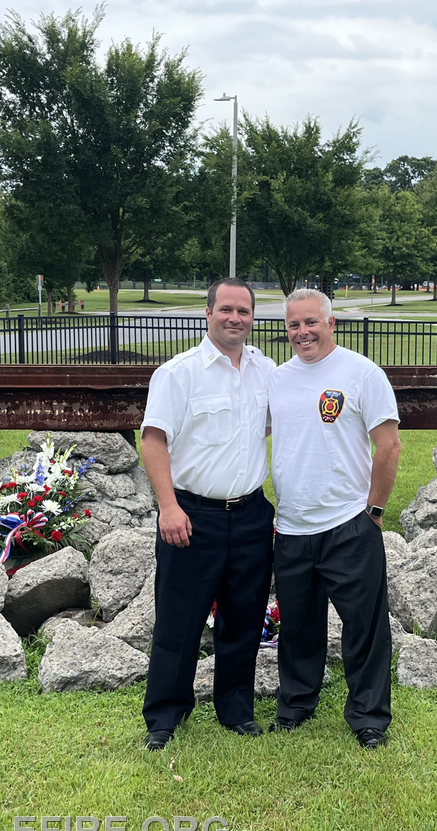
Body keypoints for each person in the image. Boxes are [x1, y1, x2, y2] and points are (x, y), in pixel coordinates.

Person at [139, 278, 275, 751]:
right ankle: (165, 715)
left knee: (244, 617)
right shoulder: (178, 374)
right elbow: (153, 440)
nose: (234, 318)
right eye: (226, 309)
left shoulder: (266, 370)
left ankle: (236, 709)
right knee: (180, 619)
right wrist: (168, 507)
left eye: (243, 311)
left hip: (253, 514)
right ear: (208, 312)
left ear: (252, 317)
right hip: (192, 515)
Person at [267, 288, 401, 749]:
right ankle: (296, 705)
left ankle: (368, 718)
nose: (302, 332)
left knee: (364, 626)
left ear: (331, 323)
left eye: (311, 322)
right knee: (299, 626)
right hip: (292, 525)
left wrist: (374, 512)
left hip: (349, 523)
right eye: (293, 325)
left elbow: (389, 445)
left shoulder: (361, 373)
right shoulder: (276, 379)